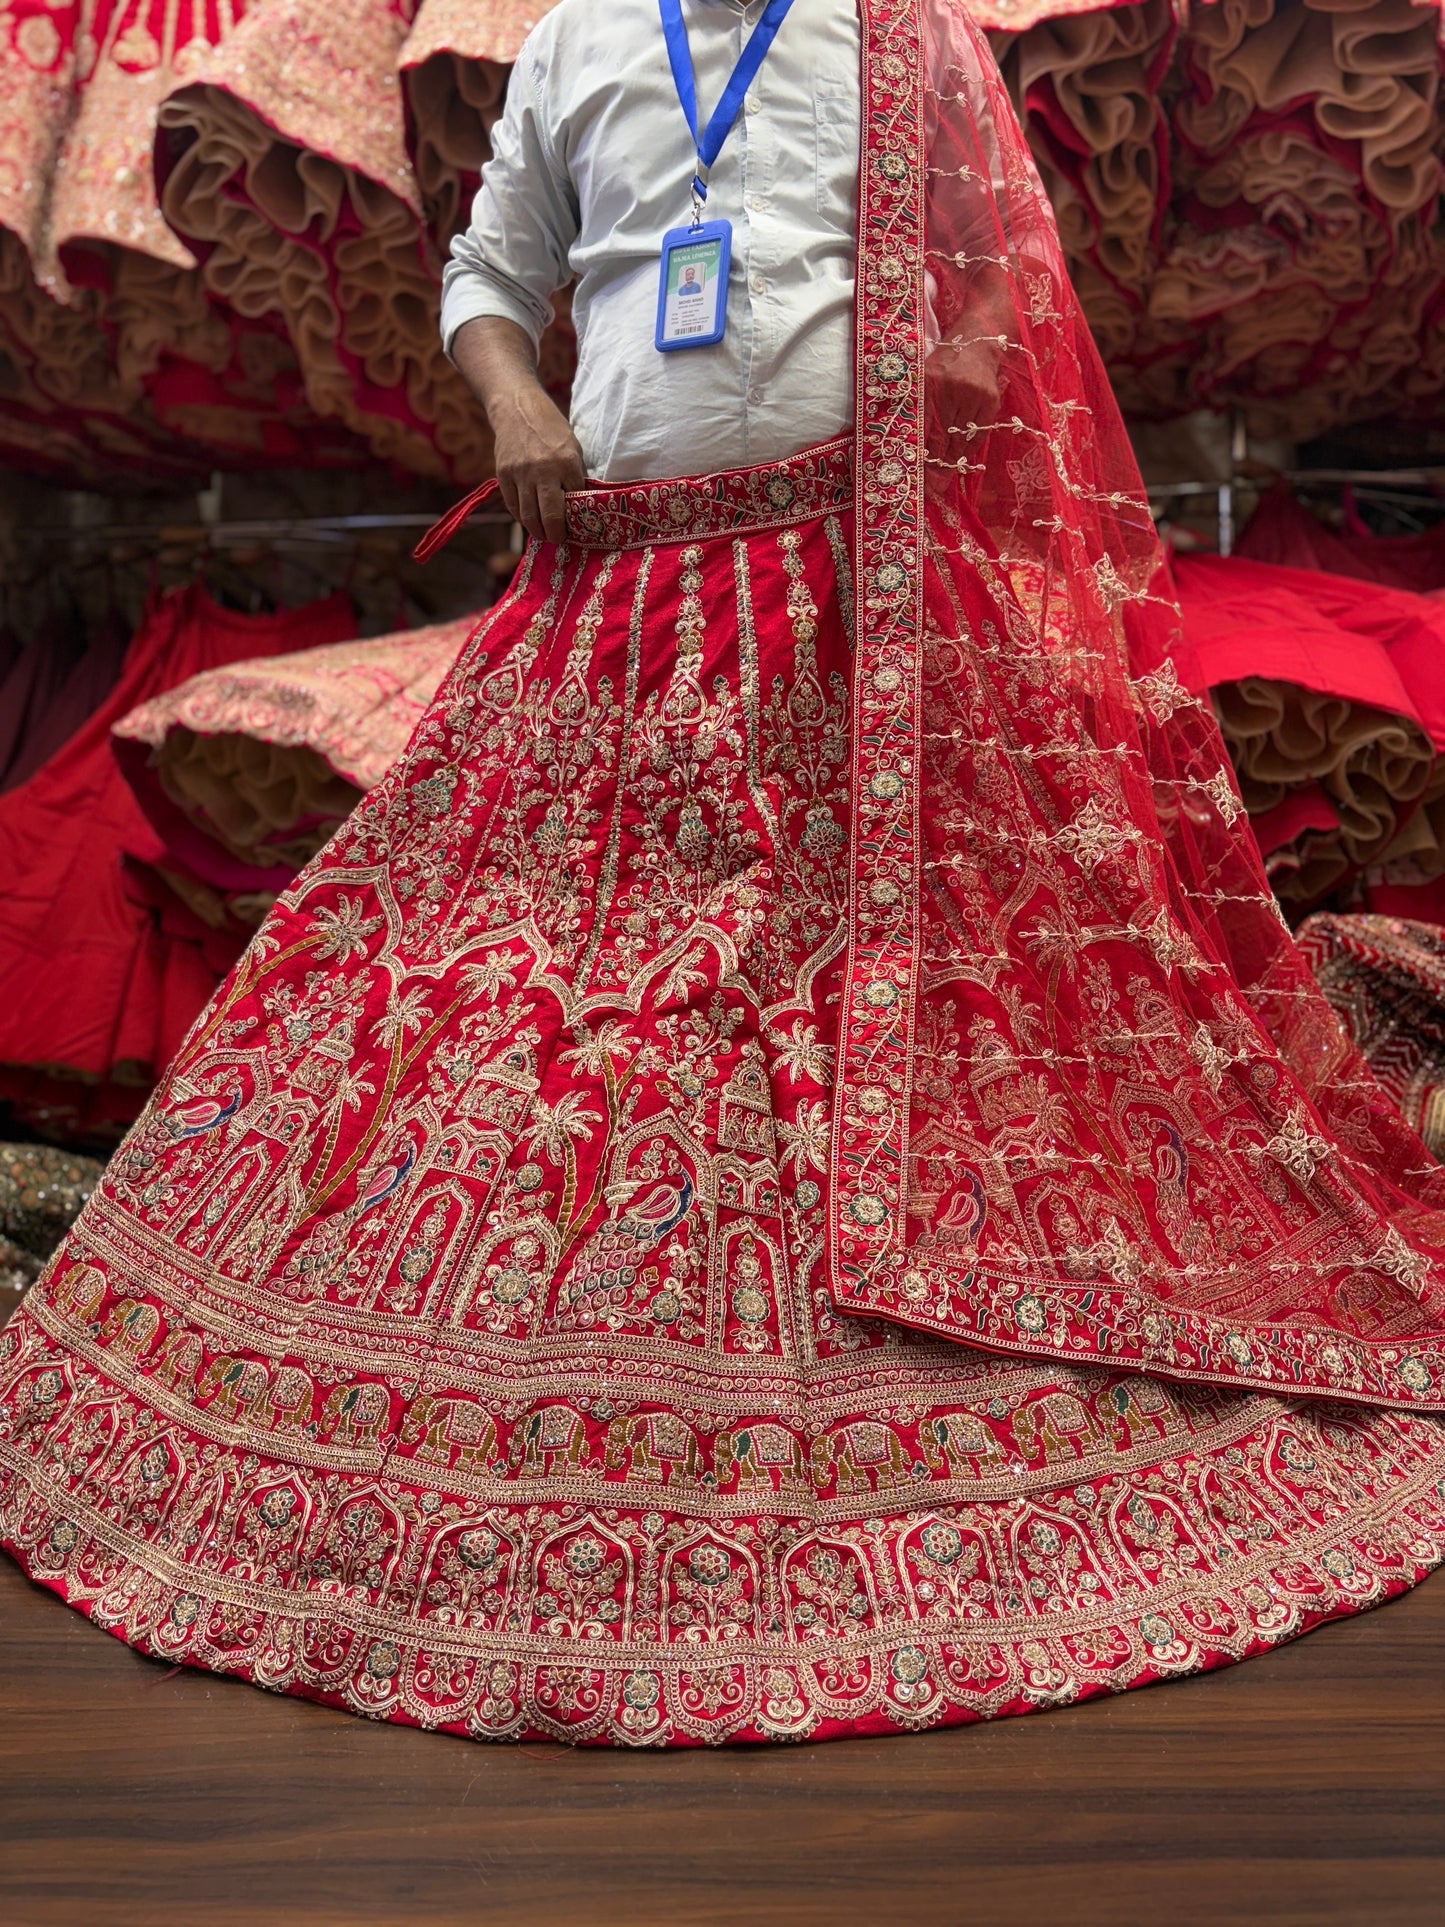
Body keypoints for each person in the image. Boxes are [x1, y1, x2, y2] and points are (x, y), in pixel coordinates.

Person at [2, 0, 1443, 1748]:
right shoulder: (570, 45)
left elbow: (1000, 306)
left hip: (861, 608)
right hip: (612, 596)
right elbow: (485, 268)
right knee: (508, 994)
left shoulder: (900, 38)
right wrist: (517, 397)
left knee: (854, 994)